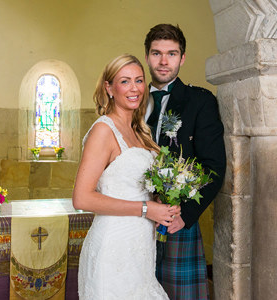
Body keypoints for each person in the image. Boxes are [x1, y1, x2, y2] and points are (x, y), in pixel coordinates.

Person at [73, 54, 181, 299]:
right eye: (125, 81)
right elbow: (81, 198)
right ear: (109, 88)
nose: (134, 88)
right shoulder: (103, 130)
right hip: (113, 248)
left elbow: (140, 187)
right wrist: (146, 209)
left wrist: (164, 206)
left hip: (140, 249)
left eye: (139, 80)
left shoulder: (139, 131)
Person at [144, 24, 226, 299]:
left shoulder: (199, 101)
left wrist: (187, 214)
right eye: (157, 53)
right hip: (133, 214)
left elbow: (214, 166)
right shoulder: (131, 98)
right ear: (147, 56)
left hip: (176, 218)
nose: (164, 61)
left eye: (172, 53)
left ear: (182, 58)